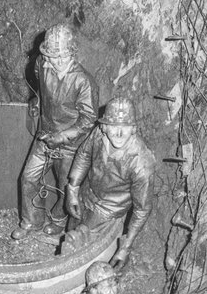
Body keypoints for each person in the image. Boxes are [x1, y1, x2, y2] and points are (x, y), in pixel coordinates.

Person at [13, 24, 99, 240]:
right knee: (28, 178)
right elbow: (40, 85)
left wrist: (62, 136)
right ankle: (32, 221)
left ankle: (59, 221)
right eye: (53, 56)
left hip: (71, 144)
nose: (58, 62)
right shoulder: (42, 64)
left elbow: (89, 119)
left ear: (72, 53)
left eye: (63, 56)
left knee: (66, 187)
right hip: (45, 135)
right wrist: (38, 100)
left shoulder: (83, 81)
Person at [62, 96, 155, 268]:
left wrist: (126, 246)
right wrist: (73, 189)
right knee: (71, 230)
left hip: (108, 211)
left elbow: (142, 209)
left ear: (133, 129)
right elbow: (83, 154)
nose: (119, 134)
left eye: (125, 128)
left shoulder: (141, 163)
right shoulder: (98, 134)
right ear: (104, 126)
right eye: (113, 127)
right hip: (86, 194)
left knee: (82, 250)